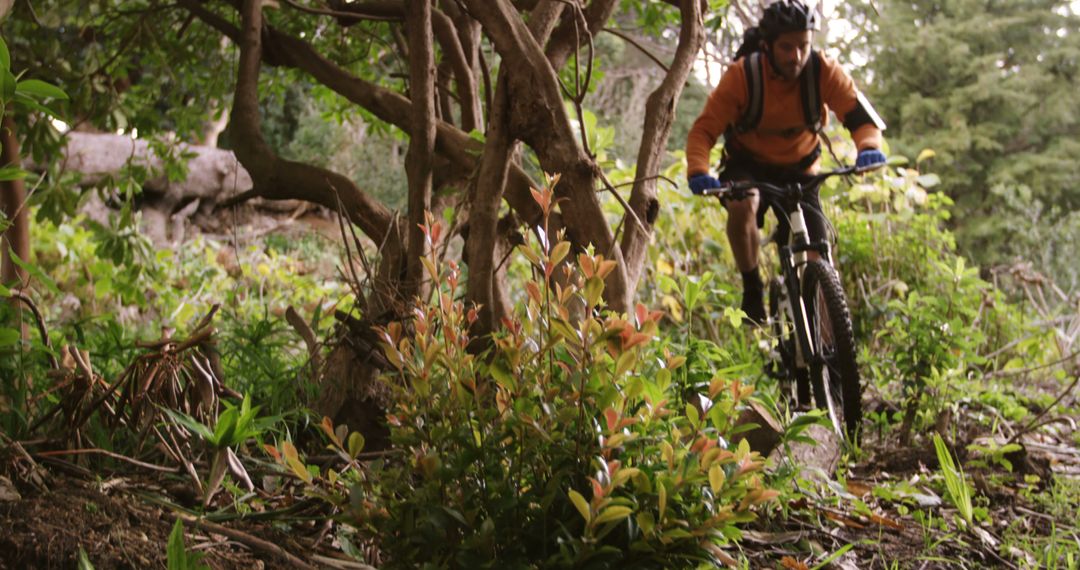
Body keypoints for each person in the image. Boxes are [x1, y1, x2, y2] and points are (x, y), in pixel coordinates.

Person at [685, 0, 886, 324]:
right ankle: (752, 285)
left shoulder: (823, 70)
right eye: (787, 47)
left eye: (803, 46)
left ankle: (828, 347)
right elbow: (704, 131)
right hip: (748, 163)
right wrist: (699, 170)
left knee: (818, 251)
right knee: (742, 206)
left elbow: (860, 117)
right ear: (767, 47)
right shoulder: (743, 75)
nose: (796, 56)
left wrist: (868, 147)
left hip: (801, 167)